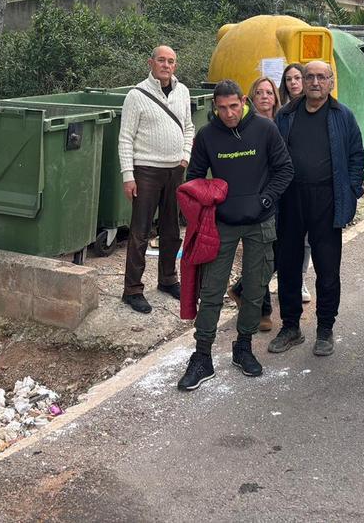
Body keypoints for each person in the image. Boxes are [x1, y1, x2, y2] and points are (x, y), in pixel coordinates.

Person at [176, 80, 294, 391]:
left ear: (243, 101)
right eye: (222, 108)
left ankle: (243, 347)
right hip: (222, 225)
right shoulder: (206, 136)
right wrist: (211, 199)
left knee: (255, 289)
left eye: (233, 106)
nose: (228, 113)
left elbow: (285, 169)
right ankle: (202, 356)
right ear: (215, 107)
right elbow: (195, 179)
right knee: (212, 290)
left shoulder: (265, 130)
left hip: (260, 222)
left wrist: (265, 200)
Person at [271, 61, 364, 357]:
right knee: (288, 266)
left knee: (327, 268)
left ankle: (325, 328)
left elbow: (356, 157)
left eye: (320, 77)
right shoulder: (285, 115)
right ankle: (290, 327)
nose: (314, 82)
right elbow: (272, 156)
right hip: (291, 199)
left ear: (330, 82)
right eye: (309, 76)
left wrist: (352, 193)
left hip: (327, 199)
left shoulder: (343, 116)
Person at [118, 45, 195, 314]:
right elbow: (125, 137)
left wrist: (185, 156)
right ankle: (132, 289)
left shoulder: (183, 91)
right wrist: (128, 176)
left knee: (172, 229)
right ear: (151, 62)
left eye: (171, 61)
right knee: (140, 231)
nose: (166, 65)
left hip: (175, 170)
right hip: (146, 171)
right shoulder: (136, 95)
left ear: (175, 65)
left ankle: (168, 279)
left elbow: (188, 126)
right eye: (161, 60)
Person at [229, 75, 281, 331]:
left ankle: (240, 289)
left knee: (276, 255)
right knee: (262, 252)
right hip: (256, 199)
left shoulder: (282, 122)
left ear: (275, 97)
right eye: (259, 92)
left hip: (280, 195)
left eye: (269, 92)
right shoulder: (245, 127)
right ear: (251, 97)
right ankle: (263, 310)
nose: (264, 97)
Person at [278, 62, 313, 301]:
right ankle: (287, 279)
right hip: (285, 185)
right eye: (289, 79)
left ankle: (300, 279)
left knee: (307, 238)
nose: (293, 83)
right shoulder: (282, 113)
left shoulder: (316, 109)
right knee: (287, 237)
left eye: (297, 78)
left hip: (309, 184)